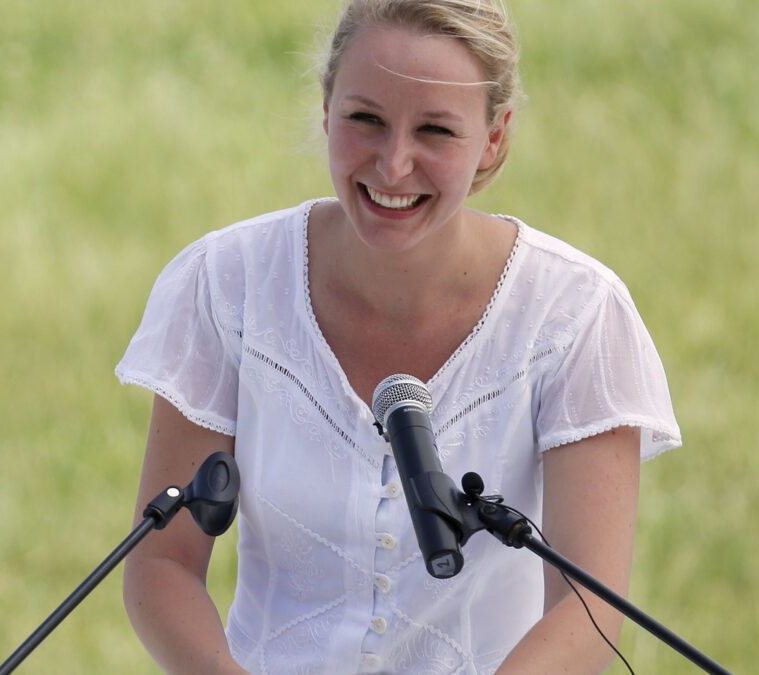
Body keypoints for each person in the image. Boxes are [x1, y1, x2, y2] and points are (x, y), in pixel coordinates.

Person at [115, 0, 680, 672]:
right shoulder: (226, 284)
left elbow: (585, 610)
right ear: (327, 109)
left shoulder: (579, 315)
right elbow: (162, 566)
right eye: (366, 120)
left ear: (494, 138)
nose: (393, 166)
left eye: (436, 131)